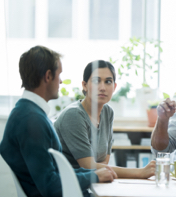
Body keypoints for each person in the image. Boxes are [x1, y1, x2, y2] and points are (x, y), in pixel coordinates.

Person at [0, 46, 116, 197]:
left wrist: (96, 172)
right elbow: (51, 186)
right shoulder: (31, 121)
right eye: (59, 75)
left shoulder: (29, 112)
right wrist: (95, 176)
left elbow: (57, 172)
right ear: (48, 76)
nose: (61, 81)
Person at [54, 60, 155, 179]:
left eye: (108, 82)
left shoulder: (108, 112)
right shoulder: (74, 114)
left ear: (114, 87)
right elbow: (89, 166)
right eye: (97, 81)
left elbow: (103, 163)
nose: (102, 88)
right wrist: (139, 173)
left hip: (91, 183)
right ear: (84, 85)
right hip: (69, 185)